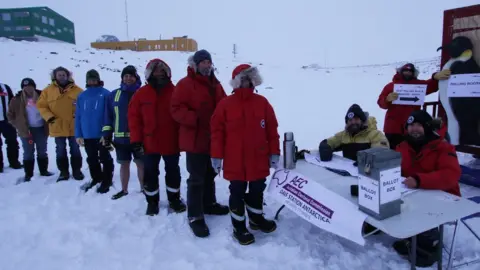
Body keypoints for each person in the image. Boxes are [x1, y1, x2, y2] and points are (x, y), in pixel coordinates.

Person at [210, 64, 280, 245]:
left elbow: (272, 131)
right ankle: (239, 227)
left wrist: (274, 152)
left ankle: (256, 219)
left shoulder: (262, 102)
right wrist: (216, 156)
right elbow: (217, 133)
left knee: (257, 190)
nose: (247, 82)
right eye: (243, 78)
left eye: (249, 78)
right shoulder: (225, 105)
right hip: (235, 159)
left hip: (258, 158)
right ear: (236, 82)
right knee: (237, 192)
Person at [171, 49, 229, 238]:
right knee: (196, 178)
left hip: (212, 139)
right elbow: (175, 108)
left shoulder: (216, 84)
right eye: (202, 62)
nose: (206, 65)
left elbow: (225, 105)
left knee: (210, 173)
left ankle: (209, 204)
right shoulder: (185, 84)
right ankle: (195, 215)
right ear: (195, 65)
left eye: (208, 62)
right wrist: (194, 118)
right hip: (195, 139)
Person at [393, 110, 461, 267]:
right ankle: (412, 238)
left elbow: (451, 174)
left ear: (428, 127)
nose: (413, 129)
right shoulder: (402, 147)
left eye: (418, 125)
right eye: (410, 125)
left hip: (444, 198)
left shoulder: (443, 147)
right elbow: (394, 168)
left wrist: (419, 180)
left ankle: (427, 241)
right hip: (413, 194)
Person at [128, 59, 186, 215]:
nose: (159, 73)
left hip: (171, 140)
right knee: (150, 173)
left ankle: (174, 199)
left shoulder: (176, 92)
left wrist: (183, 138)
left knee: (173, 172)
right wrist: (136, 140)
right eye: (155, 71)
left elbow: (182, 117)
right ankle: (152, 202)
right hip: (149, 142)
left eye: (162, 70)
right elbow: (134, 119)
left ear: (167, 73)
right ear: (150, 73)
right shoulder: (141, 94)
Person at [377, 63, 451, 150]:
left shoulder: (418, 85)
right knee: (393, 153)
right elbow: (380, 103)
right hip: (392, 127)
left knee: (411, 152)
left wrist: (435, 77)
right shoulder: (390, 86)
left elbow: (432, 86)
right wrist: (387, 99)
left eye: (410, 71)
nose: (407, 73)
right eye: (405, 71)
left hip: (412, 127)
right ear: (401, 72)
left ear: (413, 73)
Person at [103, 65, 144, 200]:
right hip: (120, 139)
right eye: (125, 76)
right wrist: (107, 134)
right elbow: (108, 116)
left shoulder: (142, 93)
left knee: (140, 164)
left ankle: (144, 189)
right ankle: (124, 189)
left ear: (136, 77)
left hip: (139, 138)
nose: (128, 78)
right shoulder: (114, 95)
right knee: (123, 164)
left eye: (131, 76)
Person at [37, 66, 84, 181]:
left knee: (75, 149)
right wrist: (49, 117)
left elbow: (84, 107)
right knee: (60, 150)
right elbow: (41, 106)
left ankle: (77, 171)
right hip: (57, 125)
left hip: (74, 126)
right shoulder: (47, 91)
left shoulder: (78, 90)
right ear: (55, 76)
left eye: (64, 75)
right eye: (59, 75)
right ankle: (63, 172)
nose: (62, 77)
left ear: (68, 76)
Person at [75, 70, 114, 193]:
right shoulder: (82, 96)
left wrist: (107, 133)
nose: (92, 81)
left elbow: (110, 115)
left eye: (94, 79)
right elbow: (78, 116)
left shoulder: (106, 94)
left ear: (98, 79)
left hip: (101, 134)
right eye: (89, 79)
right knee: (91, 158)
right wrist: (78, 134)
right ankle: (96, 178)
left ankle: (107, 180)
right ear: (86, 80)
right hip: (87, 134)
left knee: (104, 157)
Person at [7, 78, 53, 181]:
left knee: (42, 151)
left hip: (41, 128)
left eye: (30, 86)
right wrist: (18, 125)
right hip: (26, 130)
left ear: (34, 86)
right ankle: (28, 174)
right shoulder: (16, 99)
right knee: (28, 152)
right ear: (23, 88)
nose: (28, 89)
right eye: (25, 87)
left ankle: (43, 171)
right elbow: (10, 115)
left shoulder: (43, 96)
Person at [319, 104, 390, 162]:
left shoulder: (375, 134)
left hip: (369, 174)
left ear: (362, 120)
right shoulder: (344, 135)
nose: (353, 122)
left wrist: (365, 161)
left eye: (356, 119)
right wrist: (324, 147)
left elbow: (381, 152)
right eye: (350, 120)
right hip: (348, 174)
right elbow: (330, 142)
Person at [0, 81, 22, 173]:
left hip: (7, 120)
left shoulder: (5, 87)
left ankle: (14, 162)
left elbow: (12, 101)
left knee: (12, 141)